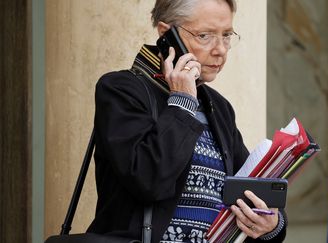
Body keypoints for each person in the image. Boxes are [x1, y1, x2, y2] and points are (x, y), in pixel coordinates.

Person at [87, 0, 287, 242]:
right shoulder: (121, 91)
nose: (220, 50)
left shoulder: (219, 107)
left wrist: (272, 224)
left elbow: (249, 189)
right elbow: (149, 179)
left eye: (226, 36)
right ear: (166, 34)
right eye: (205, 36)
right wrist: (182, 102)